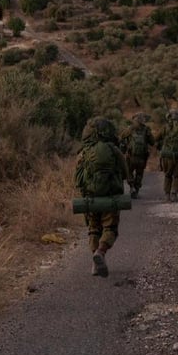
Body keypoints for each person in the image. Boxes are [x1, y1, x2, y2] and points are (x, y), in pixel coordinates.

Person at [74, 116, 128, 277]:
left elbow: (76, 180)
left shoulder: (84, 152)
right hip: (110, 198)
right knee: (110, 228)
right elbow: (125, 173)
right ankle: (101, 252)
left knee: (93, 229)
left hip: (90, 198)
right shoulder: (114, 150)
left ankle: (94, 262)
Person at [119, 112, 153, 199]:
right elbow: (152, 142)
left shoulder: (130, 129)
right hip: (142, 157)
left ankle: (131, 186)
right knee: (139, 174)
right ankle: (136, 191)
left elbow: (121, 137)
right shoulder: (146, 130)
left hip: (131, 157)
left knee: (129, 172)